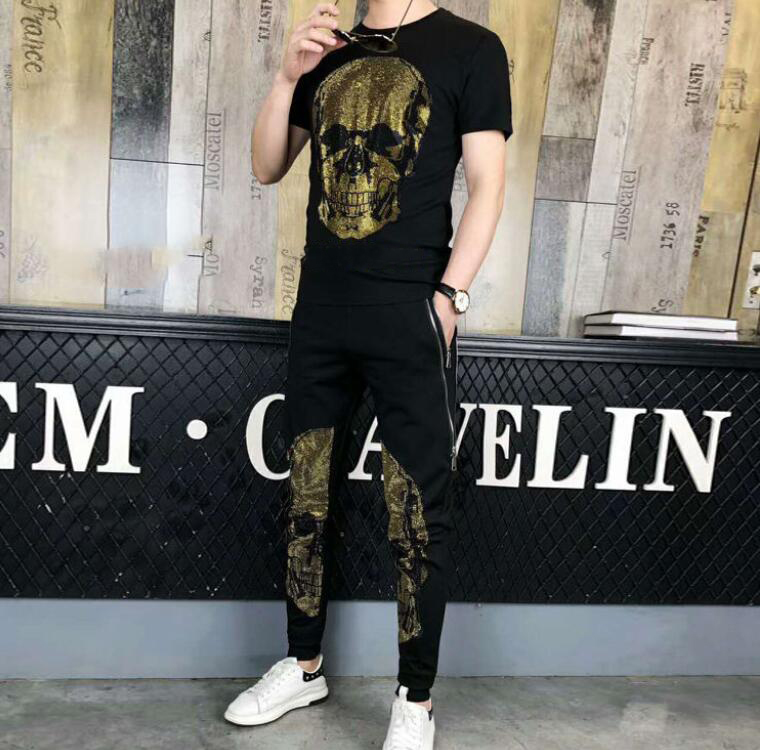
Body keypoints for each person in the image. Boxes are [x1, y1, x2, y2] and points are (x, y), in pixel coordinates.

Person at [225, 1, 512, 747]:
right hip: (321, 308)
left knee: (416, 508)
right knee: (306, 493)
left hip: (410, 310)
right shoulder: (329, 48)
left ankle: (415, 699)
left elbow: (488, 183)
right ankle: (303, 665)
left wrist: (449, 298)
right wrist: (286, 76)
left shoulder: (471, 48)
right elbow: (267, 165)